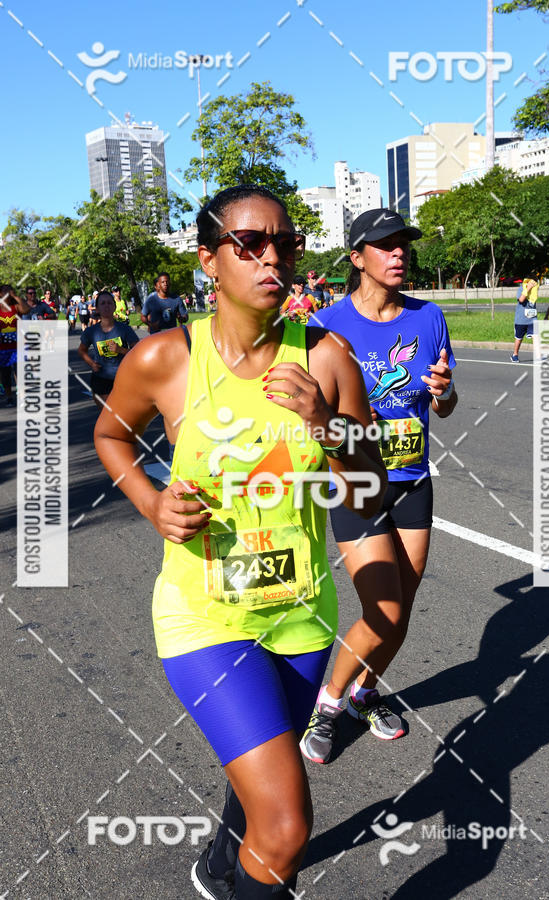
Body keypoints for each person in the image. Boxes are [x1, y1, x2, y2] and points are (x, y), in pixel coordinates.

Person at [94, 184, 386, 899]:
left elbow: (370, 482)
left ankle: (219, 866)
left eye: (285, 244)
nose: (271, 258)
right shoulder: (164, 359)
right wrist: (150, 499)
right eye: (248, 243)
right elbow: (111, 433)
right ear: (208, 260)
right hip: (205, 620)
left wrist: (327, 425)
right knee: (286, 825)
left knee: (266, 773)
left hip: (301, 615)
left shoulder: (327, 360)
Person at [301, 207, 458, 764]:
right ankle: (327, 704)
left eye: (404, 245)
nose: (399, 254)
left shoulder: (428, 316)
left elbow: (446, 400)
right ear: (357, 257)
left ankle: (365, 692)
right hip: (356, 481)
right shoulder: (325, 323)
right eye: (385, 245)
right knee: (381, 610)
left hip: (413, 479)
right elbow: (310, 416)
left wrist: (440, 394)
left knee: (403, 607)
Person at [78, 290, 139, 410]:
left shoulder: (124, 329)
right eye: (103, 303)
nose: (106, 306)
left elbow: (138, 351)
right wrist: (92, 364)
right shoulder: (91, 331)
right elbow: (81, 350)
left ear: (114, 306)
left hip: (123, 377)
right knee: (109, 414)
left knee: (123, 415)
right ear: (97, 309)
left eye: (109, 303)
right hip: (101, 378)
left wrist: (121, 350)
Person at [0, 285, 27, 406]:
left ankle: (22, 397)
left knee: (19, 372)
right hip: (2, 348)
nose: (8, 293)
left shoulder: (15, 306)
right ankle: (9, 397)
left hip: (17, 346)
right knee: (5, 374)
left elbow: (26, 310)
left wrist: (15, 296)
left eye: (10, 291)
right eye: (5, 291)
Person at [510, 274, 539, 362]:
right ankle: (515, 354)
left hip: (532, 318)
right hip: (521, 319)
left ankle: (538, 356)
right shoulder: (522, 288)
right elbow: (521, 299)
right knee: (519, 338)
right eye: (532, 282)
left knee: (536, 336)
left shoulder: (535, 291)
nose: (534, 285)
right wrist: (528, 288)